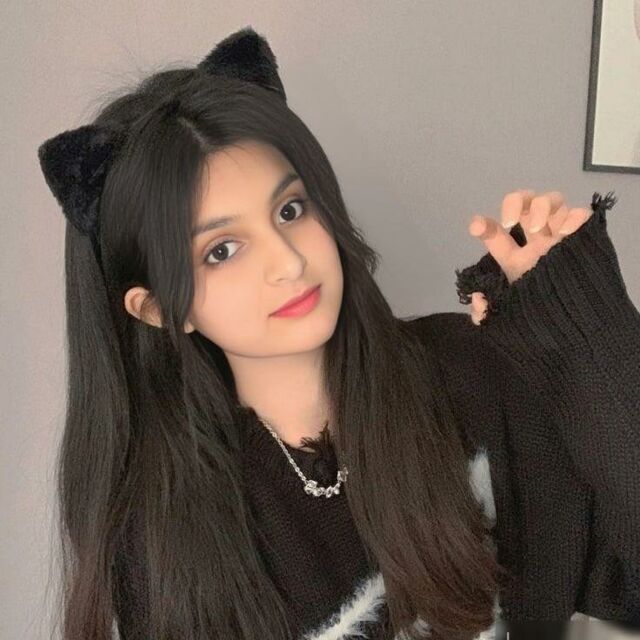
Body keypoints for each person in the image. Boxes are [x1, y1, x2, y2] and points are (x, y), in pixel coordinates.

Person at [37, 26, 639, 640]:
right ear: (159, 308)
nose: (288, 261)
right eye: (221, 250)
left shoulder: (469, 373)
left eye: (290, 210)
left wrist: (585, 329)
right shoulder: (164, 534)